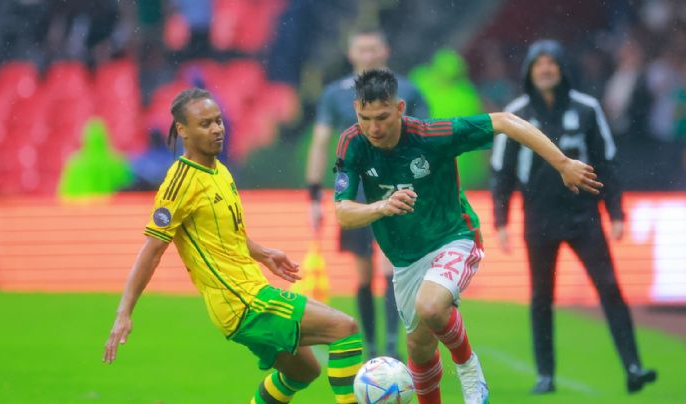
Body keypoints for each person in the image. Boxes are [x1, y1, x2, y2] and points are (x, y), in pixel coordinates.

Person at [334, 68, 602, 404]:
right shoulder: (352, 142)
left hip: (454, 237)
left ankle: (470, 370)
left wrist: (562, 163)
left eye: (382, 117)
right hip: (405, 259)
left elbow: (505, 120)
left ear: (400, 108)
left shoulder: (433, 135)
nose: (373, 127)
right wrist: (382, 207)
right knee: (419, 347)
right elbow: (343, 213)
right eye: (365, 117)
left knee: (431, 307)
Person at [103, 88, 363, 404]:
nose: (216, 129)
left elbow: (227, 235)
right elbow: (152, 249)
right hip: (244, 302)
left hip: (249, 292)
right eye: (205, 124)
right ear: (183, 130)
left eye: (218, 121)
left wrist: (263, 253)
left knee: (303, 371)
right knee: (345, 328)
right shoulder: (180, 182)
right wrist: (124, 312)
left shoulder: (220, 170)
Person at [490, 39, 657, 394]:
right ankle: (545, 374)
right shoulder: (515, 112)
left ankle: (634, 367)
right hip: (538, 218)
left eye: (552, 63)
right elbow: (501, 171)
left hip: (585, 216)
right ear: (529, 72)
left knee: (610, 288)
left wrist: (615, 212)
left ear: (563, 68)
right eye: (539, 64)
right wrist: (501, 220)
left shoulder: (586, 108)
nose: (546, 69)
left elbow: (607, 162)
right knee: (540, 297)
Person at [306, 28, 429, 359]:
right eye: (363, 49)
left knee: (391, 267)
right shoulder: (334, 94)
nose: (369, 55)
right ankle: (373, 346)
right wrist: (314, 195)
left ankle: (392, 346)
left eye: (374, 49)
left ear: (385, 51)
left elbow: (426, 141)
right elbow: (320, 143)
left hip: (397, 191)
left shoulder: (410, 90)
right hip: (356, 195)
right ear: (352, 54)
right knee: (363, 271)